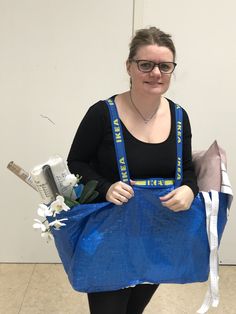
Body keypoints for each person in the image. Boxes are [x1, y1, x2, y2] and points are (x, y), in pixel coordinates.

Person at [67, 26, 198, 314]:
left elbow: (187, 169)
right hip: (108, 237)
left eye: (165, 66)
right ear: (129, 66)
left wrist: (189, 188)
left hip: (156, 236)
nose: (156, 73)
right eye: (146, 64)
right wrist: (105, 186)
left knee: (133, 310)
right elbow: (76, 162)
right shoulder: (101, 113)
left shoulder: (179, 116)